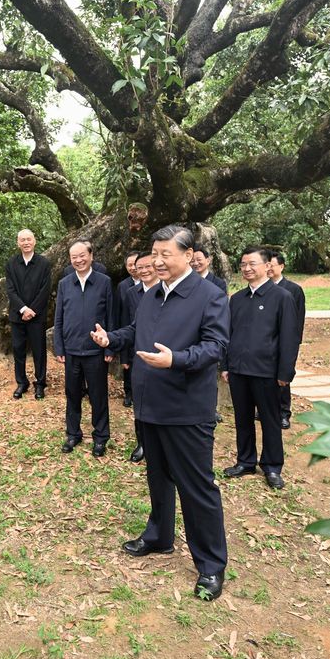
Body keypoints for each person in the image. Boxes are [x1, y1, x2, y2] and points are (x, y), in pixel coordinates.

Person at [91, 225, 229, 600]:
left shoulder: (209, 296)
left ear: (188, 255)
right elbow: (137, 330)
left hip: (186, 409)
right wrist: (111, 338)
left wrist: (177, 360)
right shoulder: (152, 295)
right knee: (158, 477)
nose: (157, 260)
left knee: (197, 487)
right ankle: (159, 535)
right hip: (149, 406)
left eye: (166, 253)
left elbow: (216, 347)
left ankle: (212, 565)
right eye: (155, 253)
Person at [222, 247, 300, 490]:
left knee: (270, 420)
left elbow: (289, 337)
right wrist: (226, 365)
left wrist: (285, 373)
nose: (246, 268)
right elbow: (228, 334)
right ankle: (245, 460)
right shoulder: (237, 299)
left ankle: (272, 465)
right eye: (243, 264)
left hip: (267, 372)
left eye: (252, 263)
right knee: (242, 419)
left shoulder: (282, 297)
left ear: (267, 266)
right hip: (238, 371)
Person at [54, 240, 113, 456]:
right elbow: (59, 318)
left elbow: (110, 317)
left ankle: (100, 437)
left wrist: (109, 348)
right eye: (74, 257)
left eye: (82, 255)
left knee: (98, 395)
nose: (78, 260)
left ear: (91, 255)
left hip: (95, 350)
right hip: (71, 351)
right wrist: (59, 347)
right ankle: (73, 434)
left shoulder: (104, 282)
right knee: (72, 394)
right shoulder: (65, 283)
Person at [119, 251, 159, 463]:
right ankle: (142, 443)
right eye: (139, 267)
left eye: (147, 266)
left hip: (164, 358)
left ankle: (160, 445)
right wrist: (124, 357)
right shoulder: (131, 293)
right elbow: (127, 326)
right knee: (140, 404)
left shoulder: (167, 292)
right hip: (138, 356)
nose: (143, 271)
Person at [5, 229, 52, 400]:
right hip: (17, 316)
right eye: (22, 240)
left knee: (39, 351)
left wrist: (32, 310)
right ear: (18, 243)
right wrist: (23, 309)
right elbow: (10, 290)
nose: (26, 242)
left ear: (34, 241)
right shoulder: (11, 264)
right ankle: (21, 382)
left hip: (37, 316)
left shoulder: (44, 263)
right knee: (18, 350)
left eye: (29, 239)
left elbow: (45, 289)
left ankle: (40, 384)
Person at [270, 251, 306, 430]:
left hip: (286, 341)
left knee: (283, 378)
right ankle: (266, 410)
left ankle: (284, 413)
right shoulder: (263, 288)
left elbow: (298, 320)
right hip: (267, 342)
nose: (269, 268)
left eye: (272, 265)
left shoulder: (293, 290)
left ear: (282, 266)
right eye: (266, 265)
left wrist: (293, 343)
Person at [116, 250, 141, 407]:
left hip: (146, 331)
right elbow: (119, 311)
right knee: (128, 364)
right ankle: (129, 393)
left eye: (135, 264)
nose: (132, 267)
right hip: (128, 329)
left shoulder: (155, 282)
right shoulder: (123, 286)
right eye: (129, 265)